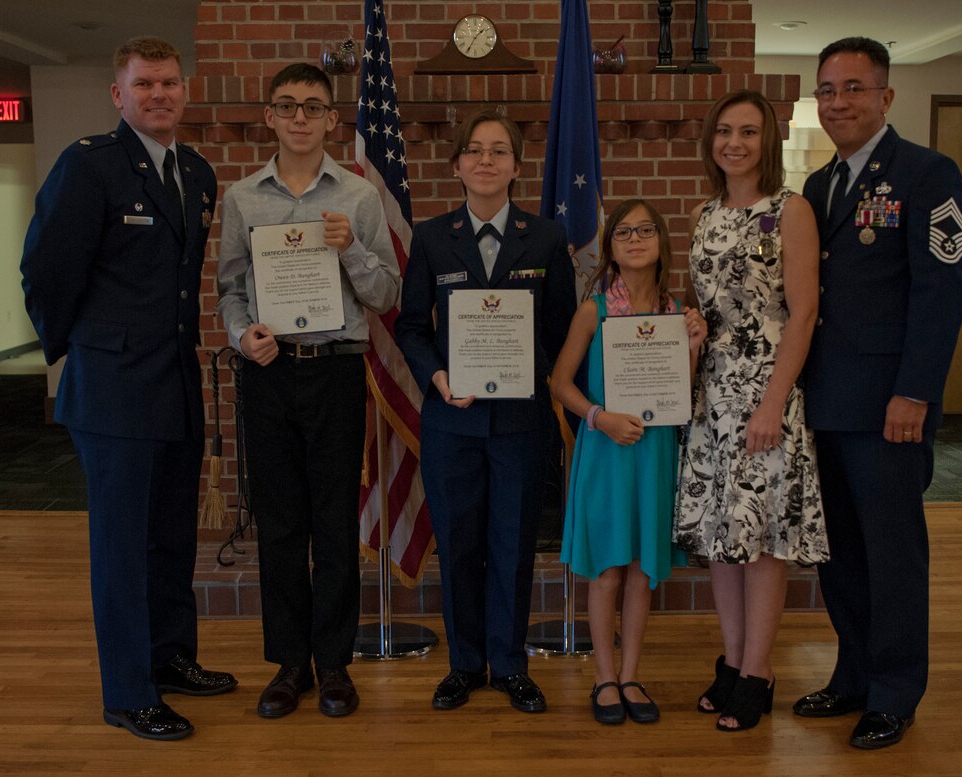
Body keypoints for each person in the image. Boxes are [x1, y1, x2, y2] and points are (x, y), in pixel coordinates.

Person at [20, 36, 237, 741]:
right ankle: (128, 692)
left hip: (174, 382)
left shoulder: (198, 173)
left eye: (170, 83)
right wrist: (80, 352)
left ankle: (170, 658)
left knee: (171, 536)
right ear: (119, 94)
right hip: (113, 390)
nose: (160, 95)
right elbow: (46, 272)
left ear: (185, 91)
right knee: (121, 546)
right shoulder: (89, 168)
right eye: (144, 84)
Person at [793, 38, 962, 749]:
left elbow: (942, 293)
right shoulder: (818, 186)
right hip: (826, 404)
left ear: (886, 97)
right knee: (837, 553)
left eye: (854, 88)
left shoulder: (928, 175)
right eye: (828, 90)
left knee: (893, 554)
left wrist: (916, 394)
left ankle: (895, 693)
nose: (839, 102)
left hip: (890, 410)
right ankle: (854, 674)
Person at [216, 63, 399, 719]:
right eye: (287, 105)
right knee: (283, 524)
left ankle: (334, 664)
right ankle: (289, 663)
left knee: (333, 520)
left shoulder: (358, 198)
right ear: (268, 115)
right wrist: (242, 337)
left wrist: (351, 250)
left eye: (312, 106)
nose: (299, 117)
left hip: (336, 368)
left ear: (331, 119)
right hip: (268, 371)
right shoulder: (242, 199)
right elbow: (231, 291)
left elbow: (386, 295)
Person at [395, 110, 576, 714]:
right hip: (454, 420)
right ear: (457, 166)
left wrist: (528, 368)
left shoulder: (547, 238)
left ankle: (511, 665)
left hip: (522, 424)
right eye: (474, 151)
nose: (486, 161)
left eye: (500, 151)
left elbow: (559, 331)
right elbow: (412, 328)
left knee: (513, 544)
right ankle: (465, 665)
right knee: (460, 543)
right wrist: (438, 377)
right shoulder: (430, 236)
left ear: (517, 168)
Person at [673, 89, 827, 732]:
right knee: (722, 540)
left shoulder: (790, 211)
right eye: (724, 131)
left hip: (766, 394)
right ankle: (733, 662)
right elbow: (710, 307)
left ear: (768, 143)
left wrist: (771, 403)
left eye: (749, 132)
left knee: (761, 542)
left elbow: (804, 313)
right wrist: (692, 329)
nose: (734, 142)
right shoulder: (707, 214)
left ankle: (760, 671)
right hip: (713, 396)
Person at [552, 199, 706, 725]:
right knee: (608, 571)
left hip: (656, 455)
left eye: (645, 230)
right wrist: (599, 417)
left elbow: (682, 396)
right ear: (611, 248)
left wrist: (692, 348)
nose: (635, 239)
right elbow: (559, 383)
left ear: (662, 242)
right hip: (607, 451)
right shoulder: (595, 308)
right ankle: (603, 677)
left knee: (643, 572)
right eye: (623, 232)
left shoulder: (675, 312)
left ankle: (632, 674)